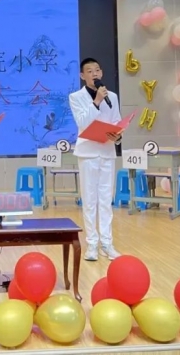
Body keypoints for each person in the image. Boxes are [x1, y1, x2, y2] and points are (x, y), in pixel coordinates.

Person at [68, 57, 122, 262]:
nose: (94, 74)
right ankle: (92, 244)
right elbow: (82, 122)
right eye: (89, 71)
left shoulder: (112, 96)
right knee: (90, 200)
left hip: (107, 151)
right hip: (88, 152)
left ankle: (107, 243)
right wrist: (97, 101)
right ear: (82, 76)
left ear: (102, 73)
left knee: (106, 199)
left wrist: (117, 135)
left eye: (97, 70)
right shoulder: (76, 97)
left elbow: (116, 121)